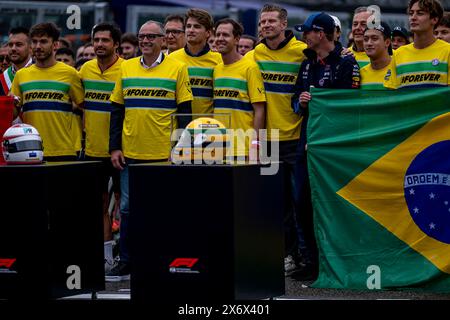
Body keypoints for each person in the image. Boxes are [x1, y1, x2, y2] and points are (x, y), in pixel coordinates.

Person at [107, 20, 193, 281]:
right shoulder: (126, 67)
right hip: (131, 153)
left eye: (150, 37)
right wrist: (115, 148)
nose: (144, 41)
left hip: (164, 155)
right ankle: (128, 261)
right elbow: (117, 110)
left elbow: (185, 113)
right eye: (141, 37)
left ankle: (163, 258)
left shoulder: (178, 68)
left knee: (165, 210)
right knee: (128, 210)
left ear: (163, 40)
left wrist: (179, 149)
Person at [292, 12, 360, 279]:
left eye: (307, 32)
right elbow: (295, 103)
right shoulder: (307, 63)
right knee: (301, 201)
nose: (303, 36)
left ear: (320, 34)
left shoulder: (347, 63)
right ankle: (310, 262)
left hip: (332, 148)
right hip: (306, 142)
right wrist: (303, 102)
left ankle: (338, 262)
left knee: (332, 204)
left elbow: (348, 108)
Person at [250, 3, 308, 278]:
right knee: (276, 202)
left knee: (300, 201)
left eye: (272, 21)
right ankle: (286, 254)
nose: (266, 26)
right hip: (268, 141)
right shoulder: (255, 54)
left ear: (284, 24)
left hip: (295, 140)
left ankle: (303, 255)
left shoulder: (300, 52)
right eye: (263, 22)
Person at [10, 22, 84, 161]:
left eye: (43, 42)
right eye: (35, 42)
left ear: (55, 45)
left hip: (63, 151)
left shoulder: (70, 74)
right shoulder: (21, 75)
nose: (38, 46)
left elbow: (84, 107)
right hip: (30, 151)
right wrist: (10, 105)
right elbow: (12, 113)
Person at [79, 22, 124, 243]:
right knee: (100, 205)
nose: (99, 44)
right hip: (93, 150)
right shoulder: (85, 70)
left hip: (120, 149)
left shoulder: (127, 69)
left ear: (116, 44)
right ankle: (106, 256)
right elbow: (78, 104)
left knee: (123, 205)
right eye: (96, 40)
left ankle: (124, 256)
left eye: (105, 40)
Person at [213, 18, 266, 160]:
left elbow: (260, 110)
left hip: (243, 149)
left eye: (225, 35)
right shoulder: (216, 69)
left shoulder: (250, 68)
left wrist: (255, 145)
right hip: (219, 148)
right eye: (217, 35)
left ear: (236, 39)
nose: (220, 39)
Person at [385, 0, 450, 89]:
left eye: (420, 13)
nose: (413, 17)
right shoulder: (398, 54)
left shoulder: (448, 51)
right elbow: (390, 95)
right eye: (411, 13)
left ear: (434, 19)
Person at [170, 8, 222, 115]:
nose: (191, 30)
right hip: (179, 126)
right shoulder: (172, 58)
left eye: (197, 26)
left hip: (208, 127)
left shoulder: (219, 60)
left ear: (208, 33)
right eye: (188, 26)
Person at [0, 27, 33, 96]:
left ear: (30, 48)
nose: (13, 48)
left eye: (19, 45)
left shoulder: (42, 72)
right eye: (10, 45)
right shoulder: (2, 78)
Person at [361, 22, 393, 89]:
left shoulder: (398, 69)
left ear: (387, 42)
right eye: (366, 39)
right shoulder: (360, 74)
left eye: (374, 38)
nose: (369, 43)